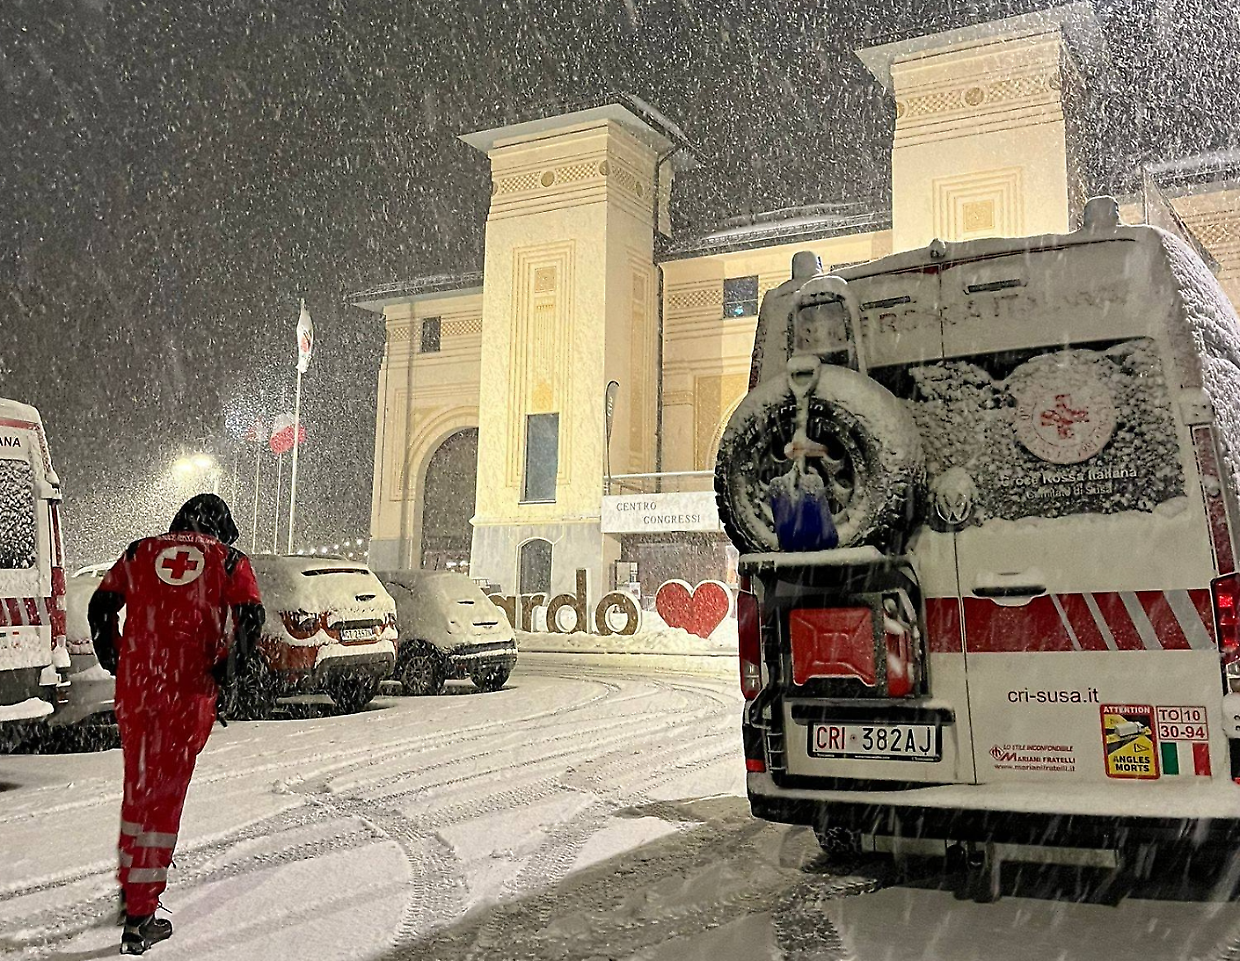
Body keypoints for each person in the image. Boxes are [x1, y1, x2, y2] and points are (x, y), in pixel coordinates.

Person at [89, 494, 265, 955]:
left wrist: (117, 657)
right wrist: (228, 669)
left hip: (138, 689)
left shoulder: (139, 551)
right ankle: (141, 917)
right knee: (163, 801)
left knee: (139, 790)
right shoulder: (228, 560)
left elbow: (101, 605)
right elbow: (251, 618)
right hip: (185, 693)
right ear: (221, 528)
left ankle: (132, 890)